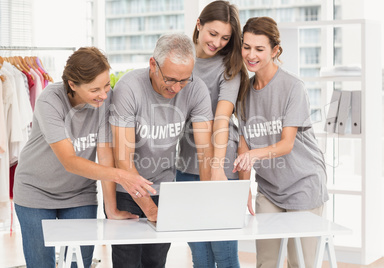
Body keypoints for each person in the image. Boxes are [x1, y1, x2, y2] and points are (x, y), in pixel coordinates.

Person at [13, 47, 156, 268]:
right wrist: (121, 175)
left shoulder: (103, 102)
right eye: (95, 89)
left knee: (79, 263)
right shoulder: (50, 100)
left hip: (79, 194)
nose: (104, 94)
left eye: (107, 85)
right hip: (35, 192)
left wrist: (111, 209)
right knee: (40, 264)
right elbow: (69, 160)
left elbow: (105, 154)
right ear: (72, 85)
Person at [103, 33, 214, 268]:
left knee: (155, 262)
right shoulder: (129, 88)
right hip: (127, 190)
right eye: (171, 79)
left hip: (164, 189)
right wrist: (151, 210)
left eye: (184, 80)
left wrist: (207, 202)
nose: (177, 88)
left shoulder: (196, 89)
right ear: (153, 64)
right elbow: (123, 159)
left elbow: (205, 152)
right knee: (127, 263)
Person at [233, 17, 329, 268]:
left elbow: (286, 144)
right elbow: (244, 144)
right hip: (270, 190)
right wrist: (244, 189)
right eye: (246, 46)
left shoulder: (292, 87)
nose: (250, 55)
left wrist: (254, 156)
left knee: (302, 263)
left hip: (303, 185)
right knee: (266, 262)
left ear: (275, 50)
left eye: (259, 49)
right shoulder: (242, 93)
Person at [175, 1, 249, 267]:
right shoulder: (180, 60)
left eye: (225, 38)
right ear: (199, 25)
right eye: (213, 33)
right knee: (200, 254)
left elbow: (221, 118)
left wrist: (217, 168)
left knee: (225, 252)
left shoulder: (229, 66)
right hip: (186, 162)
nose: (217, 42)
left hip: (221, 158)